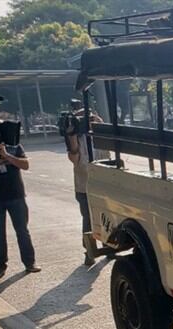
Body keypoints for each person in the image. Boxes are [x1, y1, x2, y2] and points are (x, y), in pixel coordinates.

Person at [0, 121, 39, 279]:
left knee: (22, 231)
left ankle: (29, 263)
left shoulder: (13, 144)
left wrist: (7, 156)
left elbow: (25, 165)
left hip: (16, 194)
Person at [66, 101, 101, 266]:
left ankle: (108, 245)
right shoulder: (77, 140)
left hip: (102, 184)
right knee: (88, 219)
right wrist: (72, 134)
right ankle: (89, 250)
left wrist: (97, 121)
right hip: (84, 186)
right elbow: (74, 159)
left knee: (105, 216)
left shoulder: (99, 137)